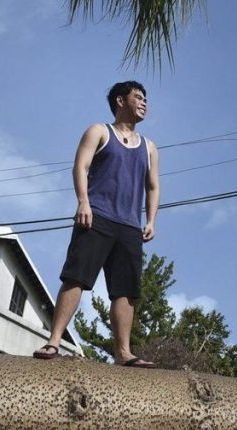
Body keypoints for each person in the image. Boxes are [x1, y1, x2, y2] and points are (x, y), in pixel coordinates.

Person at [33, 81, 160, 367]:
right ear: (120, 100)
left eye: (145, 99)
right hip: (96, 216)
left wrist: (151, 219)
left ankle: (124, 353)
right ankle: (54, 340)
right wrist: (83, 201)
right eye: (137, 97)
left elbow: (152, 186)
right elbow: (81, 166)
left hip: (129, 226)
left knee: (126, 291)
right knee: (76, 277)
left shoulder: (149, 148)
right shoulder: (100, 131)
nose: (144, 103)